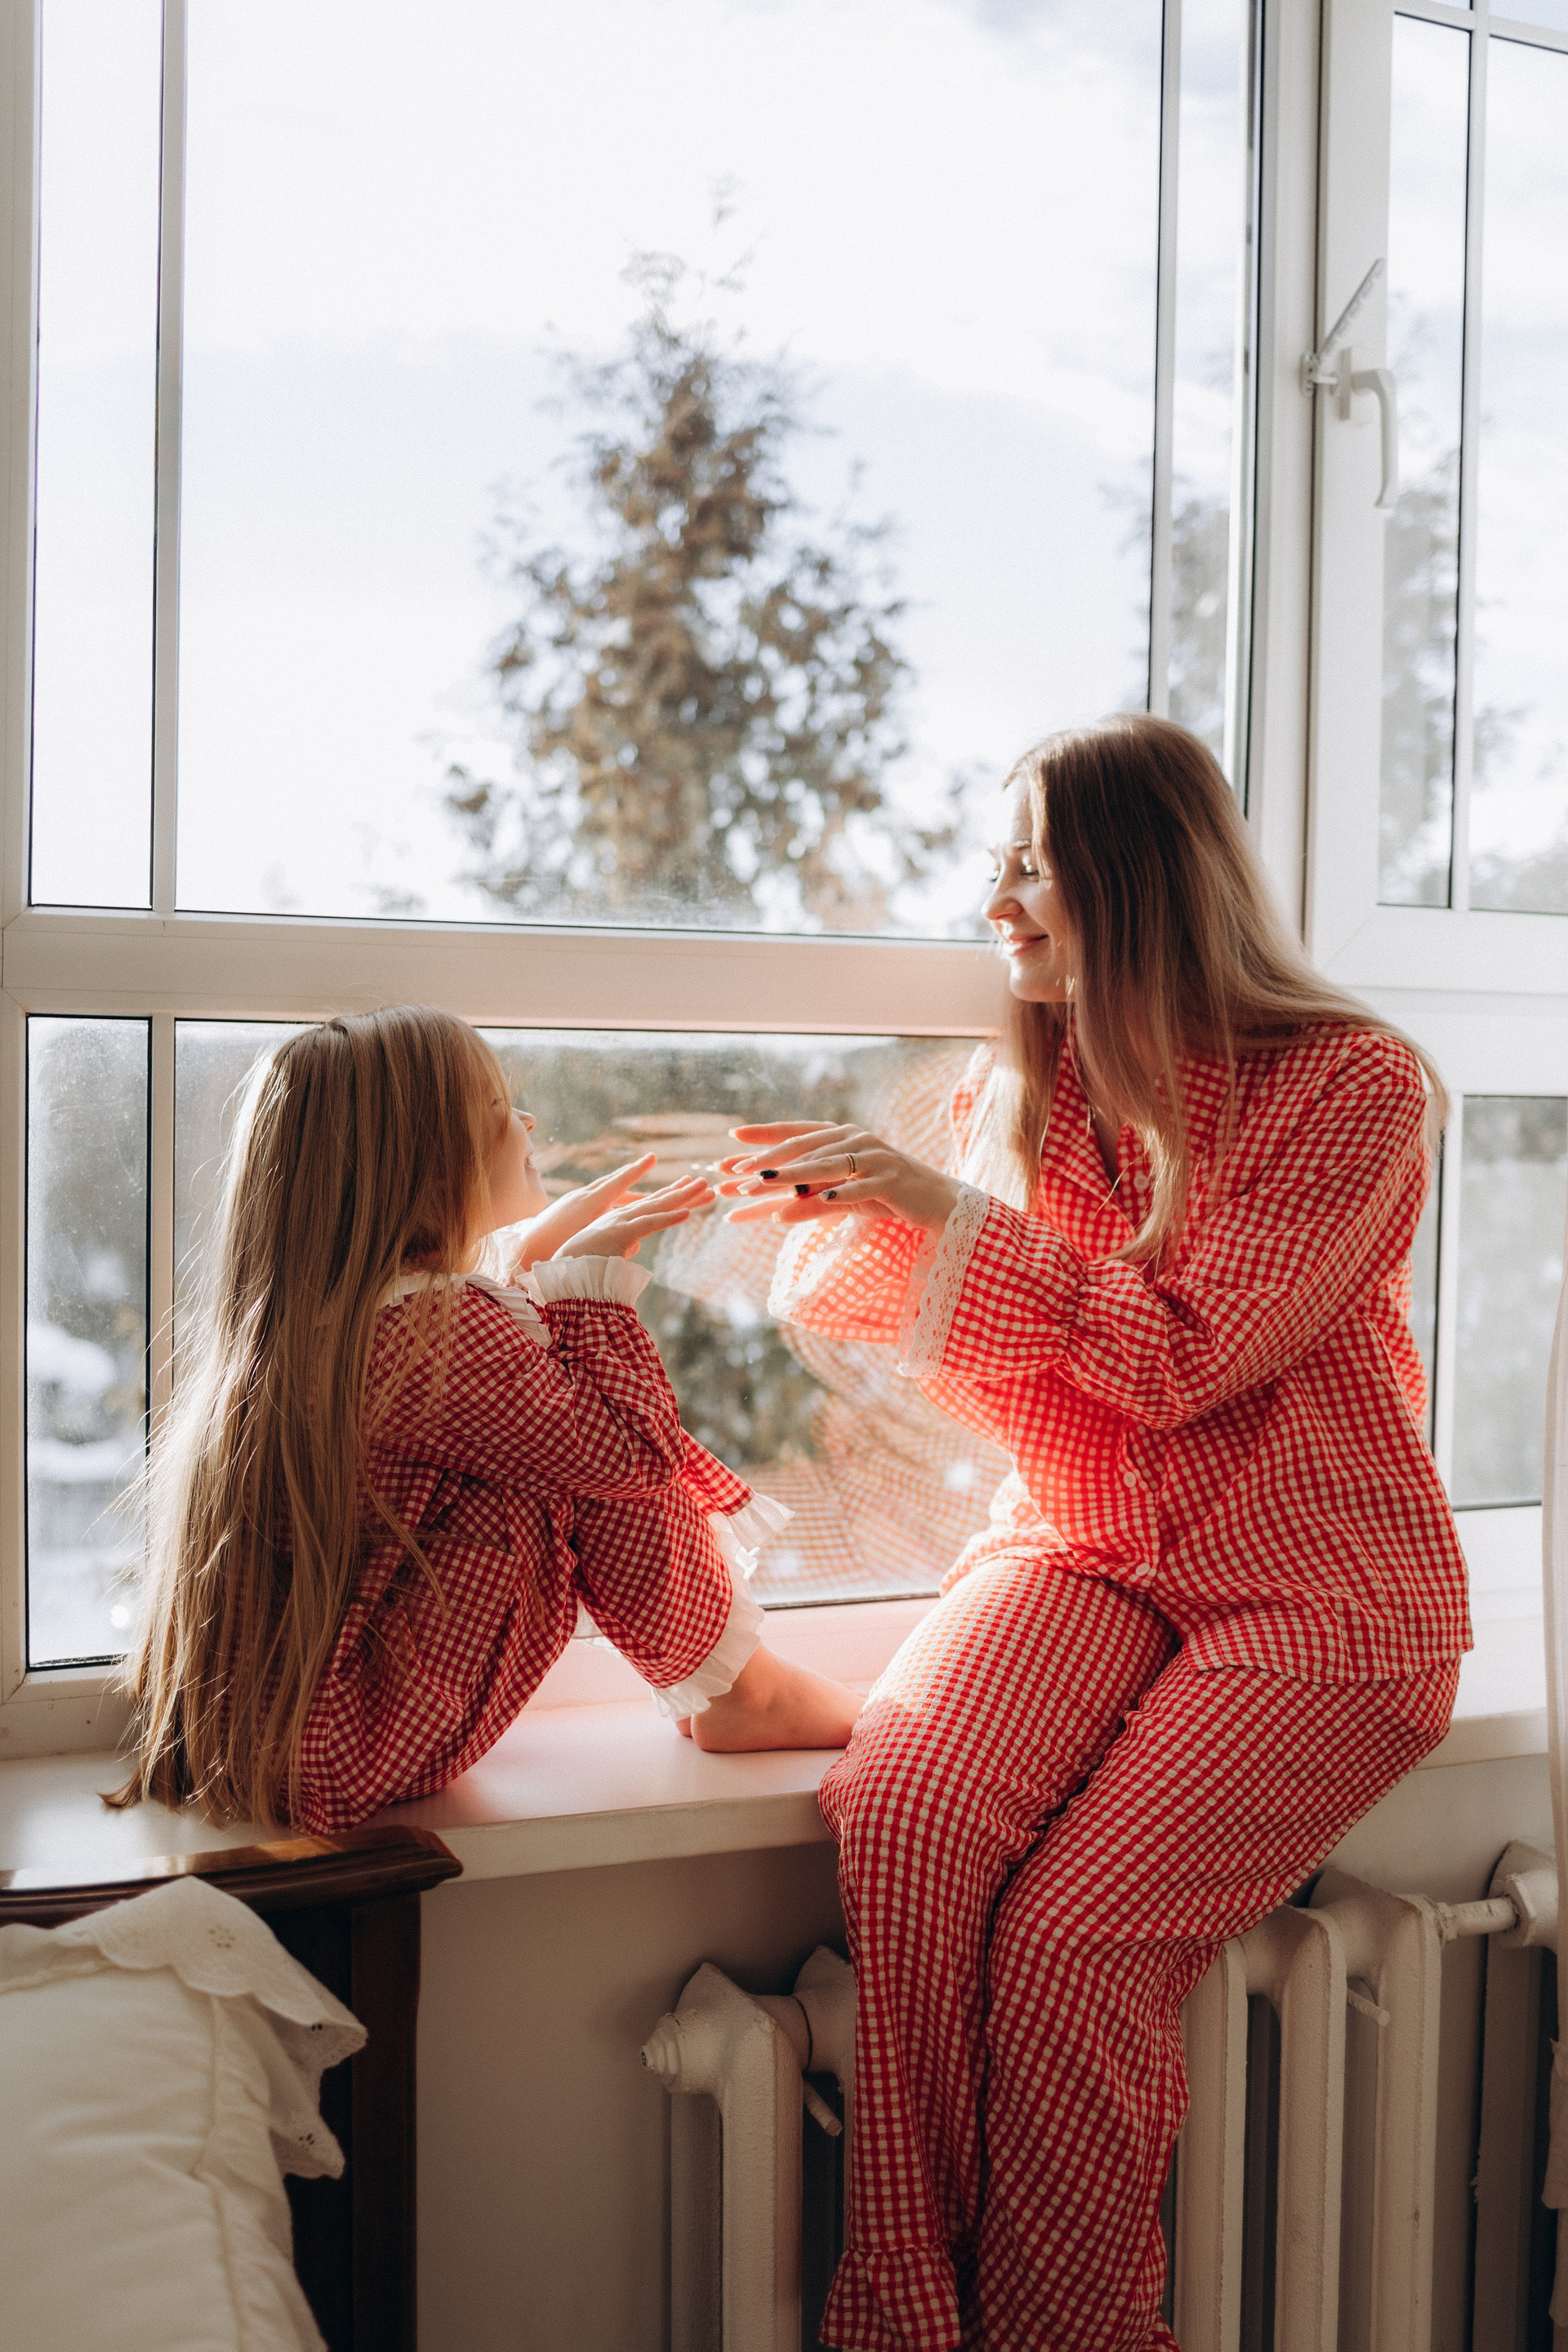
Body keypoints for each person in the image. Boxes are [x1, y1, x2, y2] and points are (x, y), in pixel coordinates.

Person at [719, 715, 1469, 2352]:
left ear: (1139, 877)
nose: (995, 904)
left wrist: (939, 1219)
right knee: (903, 1811)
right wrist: (847, 1209)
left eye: (1030, 867)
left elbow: (1184, 1358)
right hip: (1090, 1545)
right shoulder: (1019, 1094)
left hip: (1324, 1595)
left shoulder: (1353, 1087)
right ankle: (904, 2290)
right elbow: (938, 1348)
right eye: (994, 867)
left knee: (1069, 1952)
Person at [113, 1004, 860, 1833]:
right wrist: (583, 1291)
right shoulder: (430, 1334)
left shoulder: (347, 1321)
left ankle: (731, 1689)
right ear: (427, 1171)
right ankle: (742, 1692)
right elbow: (635, 1453)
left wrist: (532, 1268)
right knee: (581, 1444)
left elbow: (505, 1403)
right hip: (353, 1751)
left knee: (551, 1416)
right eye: (500, 1109)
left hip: (297, 1739)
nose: (528, 1121)